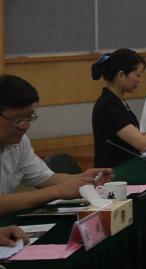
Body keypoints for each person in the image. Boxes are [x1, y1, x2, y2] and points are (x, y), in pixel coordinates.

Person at [0, 75, 113, 217]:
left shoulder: (20, 142)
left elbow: (47, 179)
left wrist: (83, 179)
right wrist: (57, 191)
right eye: (17, 120)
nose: (25, 126)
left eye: (29, 117)